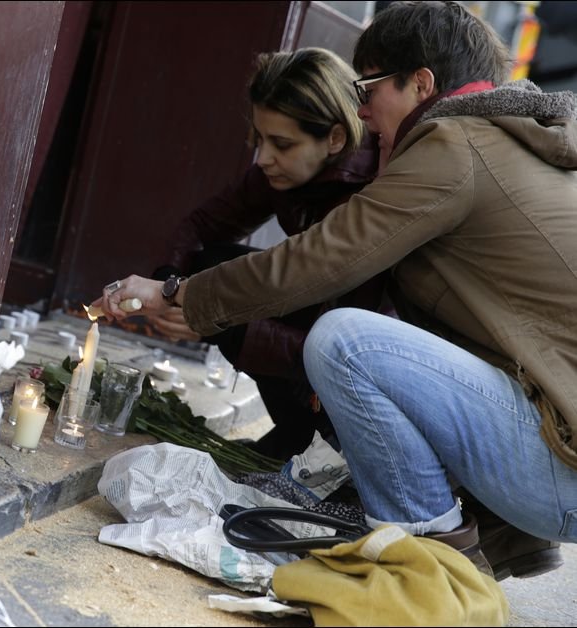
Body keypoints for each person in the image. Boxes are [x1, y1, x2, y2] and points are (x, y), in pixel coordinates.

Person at [94, 1, 575, 581]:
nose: (364, 107)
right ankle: (463, 544)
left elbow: (318, 261)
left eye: (368, 87)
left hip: (559, 467)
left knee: (345, 340)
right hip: (552, 460)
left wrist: (181, 297)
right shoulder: (498, 141)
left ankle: (426, 568)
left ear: (421, 83)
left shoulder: (456, 145)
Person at [146, 47, 389, 460]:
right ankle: (292, 431)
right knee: (212, 267)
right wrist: (169, 283)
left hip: (368, 363)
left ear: (335, 138)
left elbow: (350, 346)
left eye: (281, 144)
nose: (263, 158)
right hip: (314, 322)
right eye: (260, 140)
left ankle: (313, 444)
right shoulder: (285, 171)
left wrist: (218, 320)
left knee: (224, 296)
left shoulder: (372, 193)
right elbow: (202, 228)